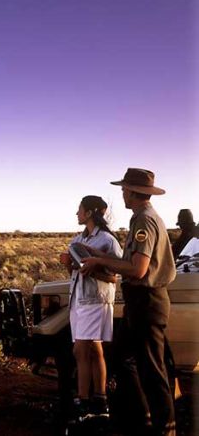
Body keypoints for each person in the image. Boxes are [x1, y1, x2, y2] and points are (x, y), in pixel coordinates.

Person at [80, 168, 176, 436]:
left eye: (124, 189)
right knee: (123, 358)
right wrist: (96, 253)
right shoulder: (140, 218)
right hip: (139, 303)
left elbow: (138, 269)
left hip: (147, 302)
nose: (122, 193)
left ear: (134, 192)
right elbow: (129, 263)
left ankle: (165, 430)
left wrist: (99, 261)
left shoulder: (144, 221)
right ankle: (141, 419)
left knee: (153, 372)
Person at [60, 196, 122, 424]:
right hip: (79, 298)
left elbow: (115, 277)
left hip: (96, 300)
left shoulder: (107, 240)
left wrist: (92, 270)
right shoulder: (78, 239)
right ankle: (100, 401)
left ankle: (83, 403)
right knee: (94, 350)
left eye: (80, 209)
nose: (77, 213)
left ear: (90, 213)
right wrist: (69, 264)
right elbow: (76, 273)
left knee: (81, 351)